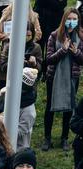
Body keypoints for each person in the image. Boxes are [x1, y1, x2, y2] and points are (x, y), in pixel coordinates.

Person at [43, 8, 82, 152]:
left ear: (78, 20)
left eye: (74, 19)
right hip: (54, 77)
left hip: (72, 77)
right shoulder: (54, 36)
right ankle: (47, 138)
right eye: (69, 18)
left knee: (69, 107)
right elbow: (49, 60)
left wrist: (76, 52)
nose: (71, 22)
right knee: (50, 107)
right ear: (64, 19)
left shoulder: (80, 37)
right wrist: (63, 50)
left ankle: (64, 138)